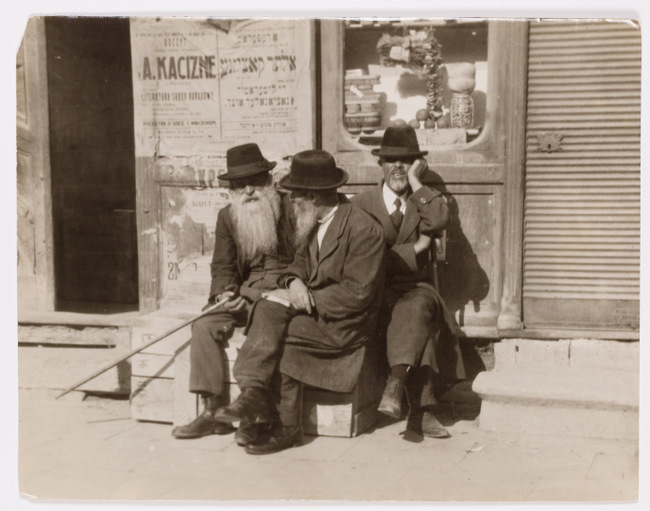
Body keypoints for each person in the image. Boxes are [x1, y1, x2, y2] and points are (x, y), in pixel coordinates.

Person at [213, 149, 386, 454]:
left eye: (295, 195)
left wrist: (306, 298)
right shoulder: (315, 220)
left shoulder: (364, 230)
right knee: (267, 306)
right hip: (316, 313)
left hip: (344, 325)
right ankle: (253, 393)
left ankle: (283, 425)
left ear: (313, 197)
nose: (291, 201)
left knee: (281, 335)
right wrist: (293, 283)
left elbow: (357, 295)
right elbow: (300, 263)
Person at [171, 143, 299, 445]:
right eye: (241, 185)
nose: (249, 190)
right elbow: (223, 266)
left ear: (269, 181)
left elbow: (306, 259)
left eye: (255, 181)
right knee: (204, 324)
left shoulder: (291, 209)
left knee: (264, 324)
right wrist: (225, 294)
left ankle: (253, 416)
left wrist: (290, 286)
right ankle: (213, 412)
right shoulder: (228, 217)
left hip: (282, 293)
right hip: (245, 292)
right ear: (232, 190)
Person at [351, 125, 466, 438]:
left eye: (407, 161)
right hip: (377, 290)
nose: (398, 166)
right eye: (391, 160)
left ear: (417, 164)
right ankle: (421, 412)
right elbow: (362, 258)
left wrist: (417, 183)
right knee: (419, 327)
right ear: (381, 164)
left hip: (417, 289)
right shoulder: (361, 204)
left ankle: (396, 384)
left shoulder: (424, 199)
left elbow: (439, 219)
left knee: (416, 309)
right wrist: (414, 249)